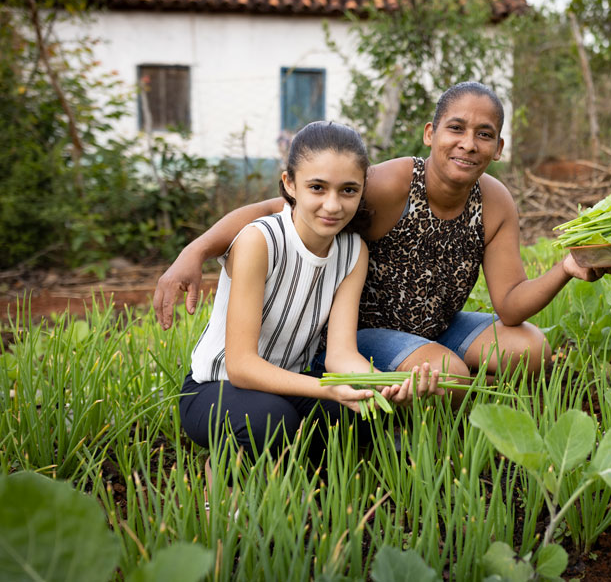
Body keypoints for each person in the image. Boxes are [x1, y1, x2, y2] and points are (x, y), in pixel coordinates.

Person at [159, 82, 611, 388]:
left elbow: (511, 303)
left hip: (436, 327)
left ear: (498, 148)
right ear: (430, 133)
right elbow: (282, 207)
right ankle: (428, 409)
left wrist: (566, 268)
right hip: (356, 335)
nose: (468, 143)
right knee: (450, 375)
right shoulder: (393, 185)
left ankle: (451, 392)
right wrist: (195, 251)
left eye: (484, 134)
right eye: (455, 128)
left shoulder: (495, 203)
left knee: (532, 349)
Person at [180, 121, 441, 462]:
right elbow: (241, 366)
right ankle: (222, 481)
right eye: (317, 187)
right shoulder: (259, 240)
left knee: (360, 416)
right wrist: (326, 388)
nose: (332, 205)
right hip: (217, 387)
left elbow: (340, 356)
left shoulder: (352, 251)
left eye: (348, 190)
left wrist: (384, 384)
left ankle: (290, 465)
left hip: (289, 384)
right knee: (269, 421)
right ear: (290, 183)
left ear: (363, 189)